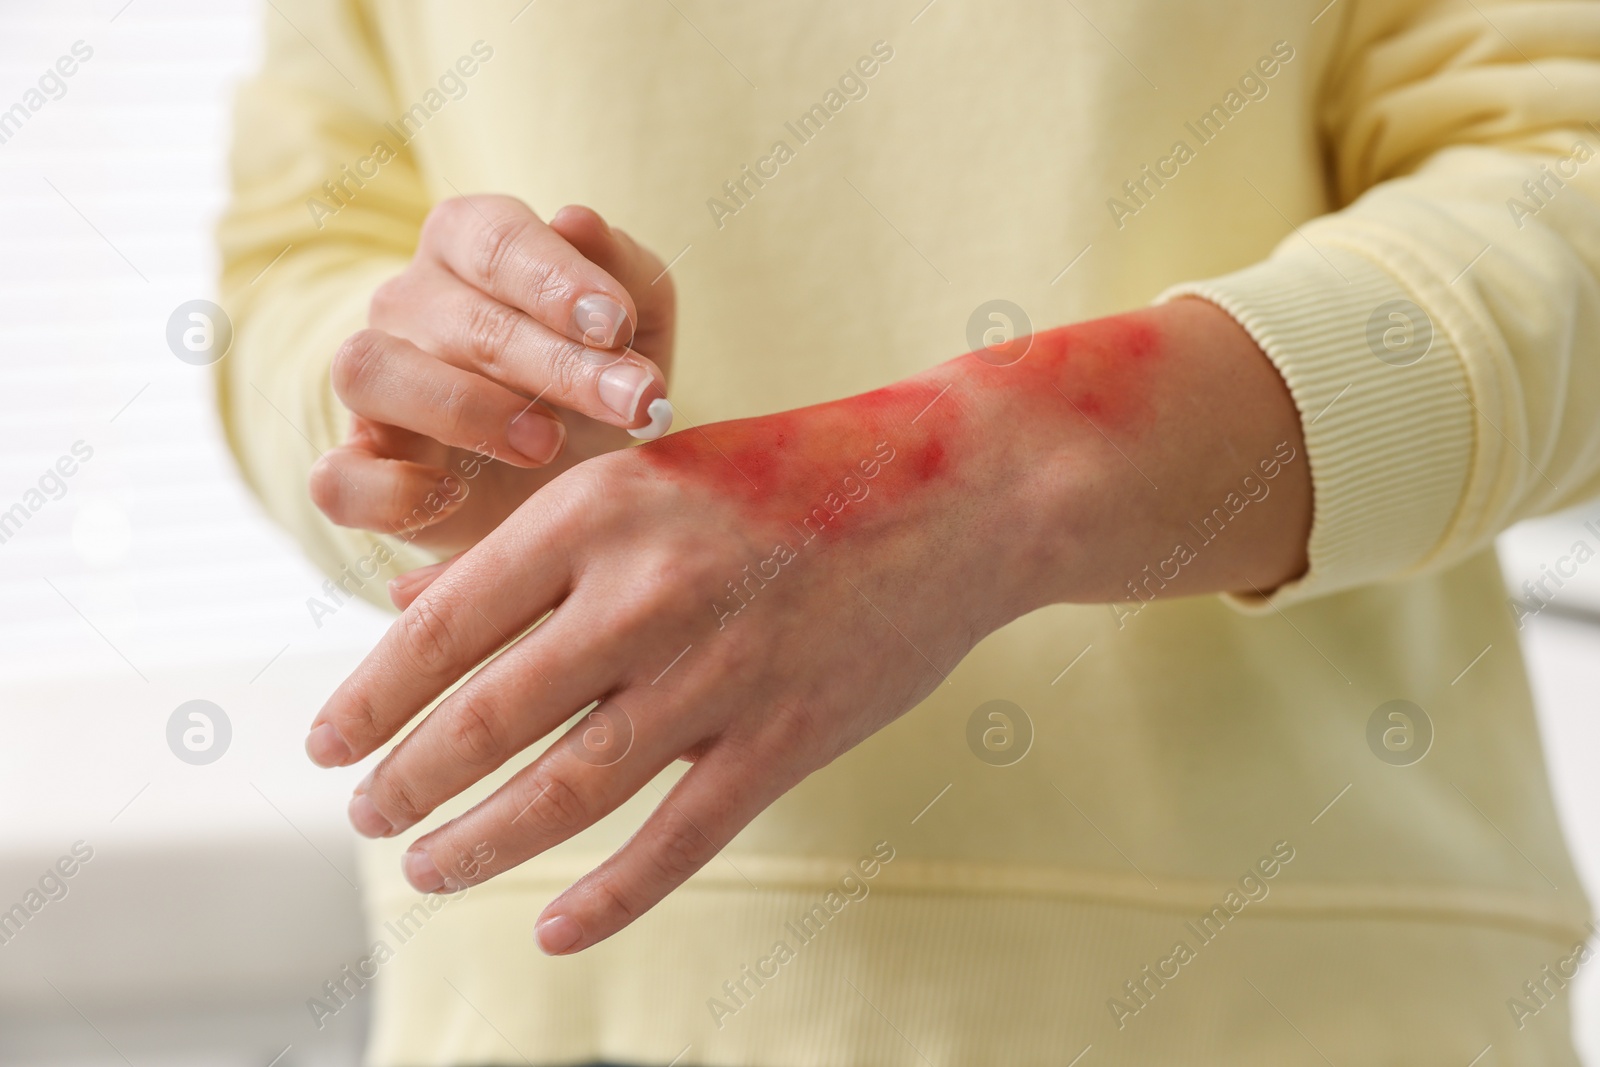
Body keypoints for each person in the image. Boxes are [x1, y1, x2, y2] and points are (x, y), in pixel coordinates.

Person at [216, 1, 1600, 1063]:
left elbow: (1563, 182)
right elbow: (298, 265)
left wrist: (989, 482)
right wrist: (442, 438)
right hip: (565, 992)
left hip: (1291, 993)